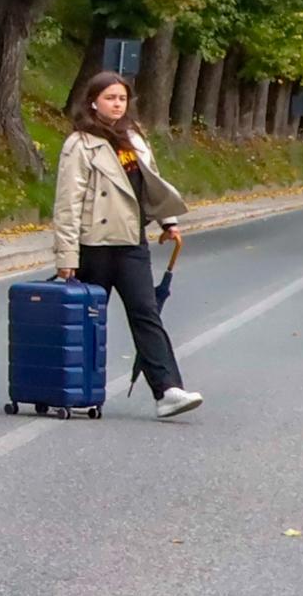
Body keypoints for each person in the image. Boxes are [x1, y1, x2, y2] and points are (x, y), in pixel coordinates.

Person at [50, 70, 203, 419]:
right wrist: (67, 255)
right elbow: (67, 202)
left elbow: (150, 184)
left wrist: (168, 221)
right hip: (94, 245)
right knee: (88, 322)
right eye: (109, 98)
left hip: (132, 241)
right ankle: (77, 390)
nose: (117, 104)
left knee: (146, 314)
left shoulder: (134, 138)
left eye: (121, 98)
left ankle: (167, 391)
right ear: (93, 102)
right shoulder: (80, 144)